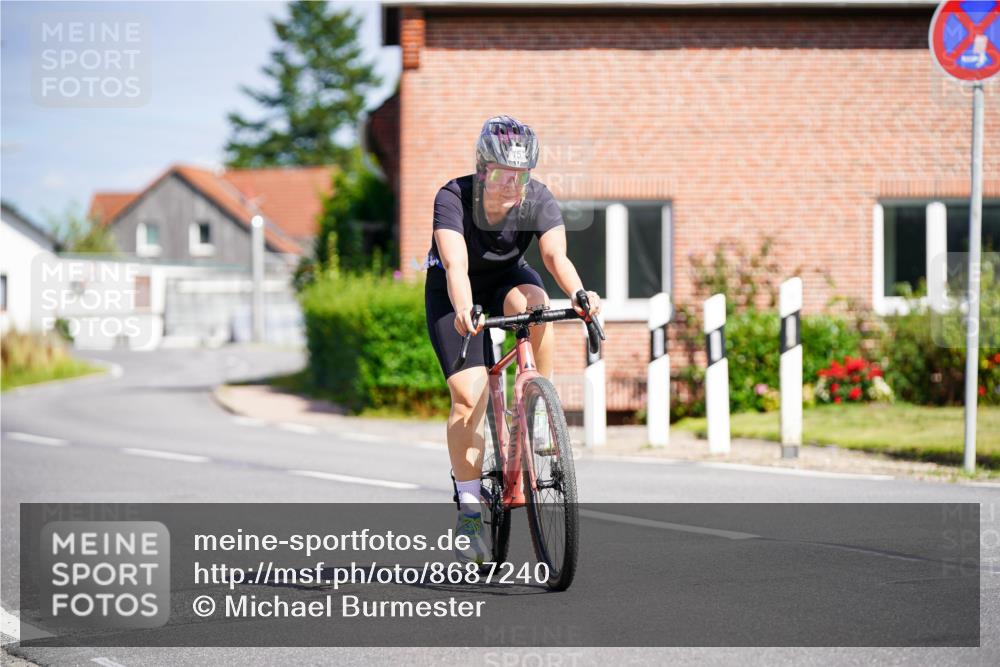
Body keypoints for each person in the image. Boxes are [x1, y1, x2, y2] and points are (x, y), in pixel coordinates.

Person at [423, 115, 602, 564]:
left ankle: (538, 404)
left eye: (521, 176)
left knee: (538, 300)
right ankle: (468, 511)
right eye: (504, 176)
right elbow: (456, 265)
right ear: (483, 169)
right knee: (469, 396)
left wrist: (580, 294)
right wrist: (464, 308)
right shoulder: (453, 197)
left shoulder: (536, 197)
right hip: (455, 290)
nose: (513, 186)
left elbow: (554, 255)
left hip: (507, 280)